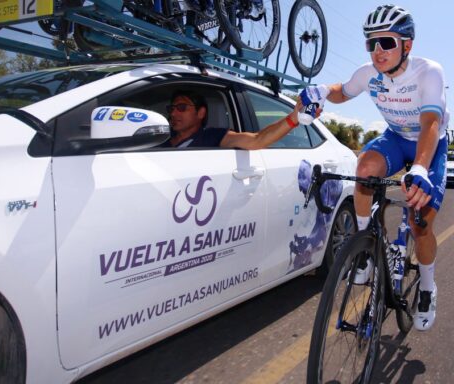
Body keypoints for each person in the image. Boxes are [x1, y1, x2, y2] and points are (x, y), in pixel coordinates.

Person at [299, 4, 448, 331]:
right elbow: (344, 91)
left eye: (387, 43)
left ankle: (426, 287)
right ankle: (365, 246)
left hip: (429, 141)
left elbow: (430, 125)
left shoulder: (429, 72)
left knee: (419, 222)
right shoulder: (369, 73)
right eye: (372, 43)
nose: (377, 51)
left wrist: (420, 169)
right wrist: (322, 91)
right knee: (364, 167)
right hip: (396, 137)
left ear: (407, 45)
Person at [160, 89, 304, 149]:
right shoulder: (160, 137)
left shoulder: (212, 137)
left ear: (201, 113)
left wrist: (294, 118)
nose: (173, 113)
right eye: (172, 109)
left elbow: (257, 139)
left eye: (182, 107)